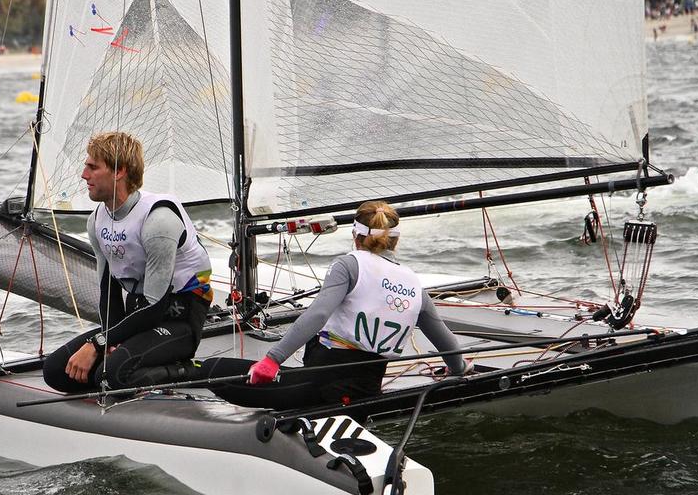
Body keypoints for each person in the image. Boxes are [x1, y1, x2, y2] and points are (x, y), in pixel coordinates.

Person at [210, 200, 467, 410]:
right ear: (395, 241)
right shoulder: (415, 286)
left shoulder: (349, 265)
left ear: (356, 235)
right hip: (367, 391)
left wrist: (272, 360)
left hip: (322, 390)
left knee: (212, 369)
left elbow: (318, 314)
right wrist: (460, 369)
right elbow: (447, 343)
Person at [41, 131, 214, 393]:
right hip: (139, 317)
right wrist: (111, 341)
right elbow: (108, 293)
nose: (83, 175)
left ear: (119, 171)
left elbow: (156, 307)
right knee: (55, 371)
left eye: (92, 167)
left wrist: (97, 344)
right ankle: (122, 369)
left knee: (110, 376)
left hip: (179, 320)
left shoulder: (159, 221)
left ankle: (189, 371)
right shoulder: (97, 220)